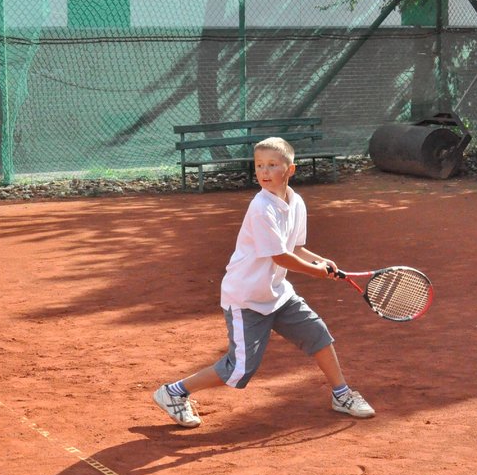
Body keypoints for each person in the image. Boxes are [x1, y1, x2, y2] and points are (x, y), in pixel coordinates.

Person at [153, 137, 374, 428]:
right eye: (259, 165)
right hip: (246, 298)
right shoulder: (261, 207)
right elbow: (280, 256)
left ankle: (341, 394)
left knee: (317, 334)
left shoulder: (295, 203)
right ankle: (173, 392)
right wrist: (316, 271)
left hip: (278, 294)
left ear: (290, 170)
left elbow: (296, 247)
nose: (264, 172)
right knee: (239, 369)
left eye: (272, 165)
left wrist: (322, 260)